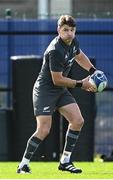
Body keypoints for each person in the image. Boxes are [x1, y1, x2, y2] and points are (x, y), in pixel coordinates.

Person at [17, 15, 98, 174]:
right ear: (58, 30)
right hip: (45, 90)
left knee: (77, 120)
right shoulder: (55, 50)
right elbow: (57, 79)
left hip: (59, 90)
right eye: (65, 30)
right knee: (44, 130)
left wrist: (93, 71)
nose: (69, 33)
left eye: (72, 30)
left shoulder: (73, 42)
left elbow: (79, 55)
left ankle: (65, 161)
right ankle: (23, 165)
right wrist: (82, 84)